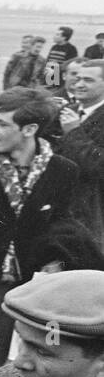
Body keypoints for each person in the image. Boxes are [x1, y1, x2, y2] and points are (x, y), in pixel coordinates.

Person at [0, 88, 80, 353]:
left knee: (4, 357)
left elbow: (62, 226)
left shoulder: (63, 171)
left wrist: (54, 262)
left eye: (1, 124)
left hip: (25, 289)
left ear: (30, 129)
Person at [57, 58, 104, 241]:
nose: (79, 84)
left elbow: (99, 165)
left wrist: (74, 132)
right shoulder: (69, 110)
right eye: (77, 78)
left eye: (89, 80)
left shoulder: (72, 119)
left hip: (94, 212)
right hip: (63, 204)